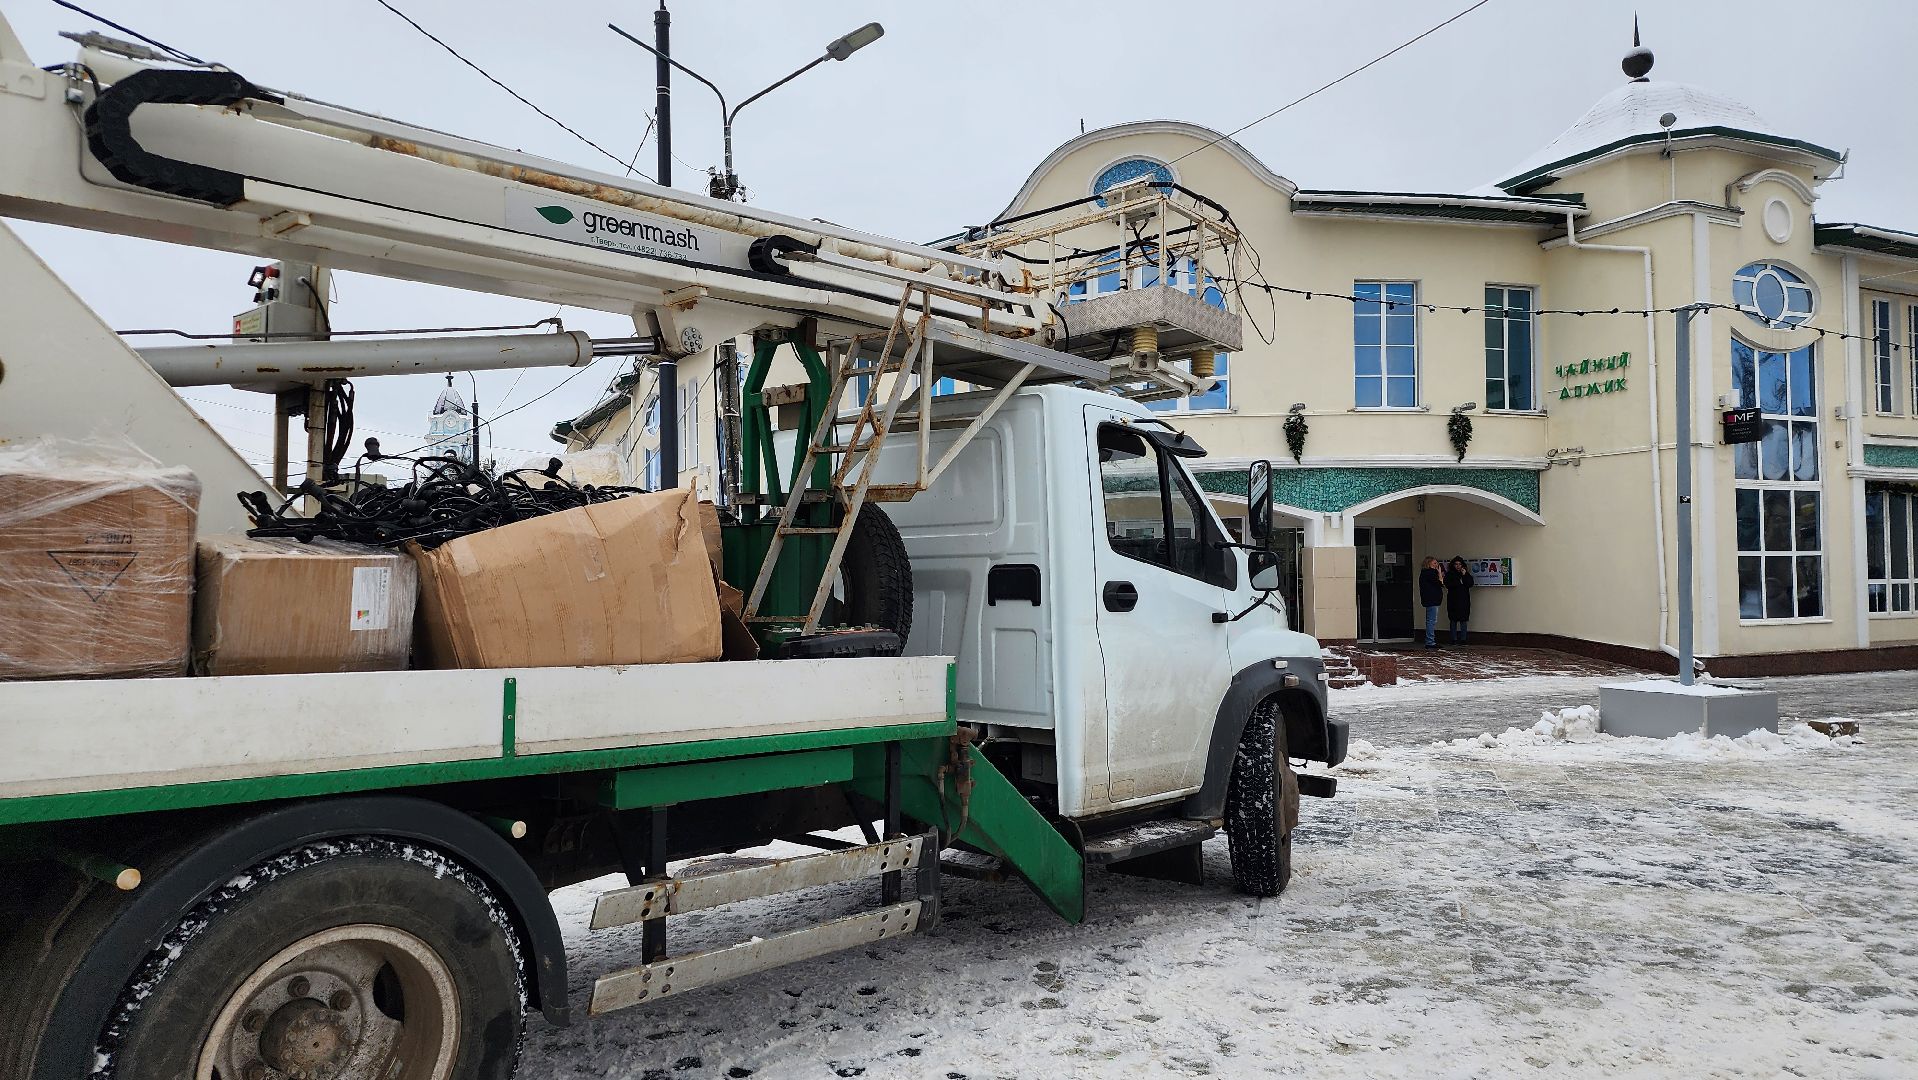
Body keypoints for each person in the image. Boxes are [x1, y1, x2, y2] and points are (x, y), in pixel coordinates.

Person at [1445, 555, 1474, 645]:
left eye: (1459, 564)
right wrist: (1459, 582)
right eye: (1456, 564)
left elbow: (1470, 583)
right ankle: (1453, 639)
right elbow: (1448, 584)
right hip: (1452, 600)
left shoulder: (1466, 574)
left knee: (1463, 619)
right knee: (1453, 620)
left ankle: (1463, 639)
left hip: (1464, 600)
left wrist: (1464, 575)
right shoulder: (1449, 574)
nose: (1458, 566)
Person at [1419, 556, 1444, 649]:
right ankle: (1430, 641)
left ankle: (1430, 640)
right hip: (1432, 599)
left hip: (1429, 599)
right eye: (1434, 563)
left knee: (1431, 620)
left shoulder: (1424, 573)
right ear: (1428, 563)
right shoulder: (1430, 573)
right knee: (1431, 621)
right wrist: (1440, 575)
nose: (1436, 565)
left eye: (1437, 563)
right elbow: (1440, 583)